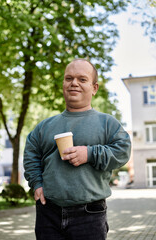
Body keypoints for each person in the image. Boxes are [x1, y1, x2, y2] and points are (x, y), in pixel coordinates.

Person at [23, 58, 131, 240]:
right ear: (63, 84)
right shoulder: (44, 126)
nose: (74, 83)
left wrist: (89, 154)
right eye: (68, 78)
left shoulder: (107, 123)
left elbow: (122, 151)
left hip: (90, 214)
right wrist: (37, 183)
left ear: (94, 88)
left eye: (82, 79)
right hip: (48, 212)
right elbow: (31, 154)